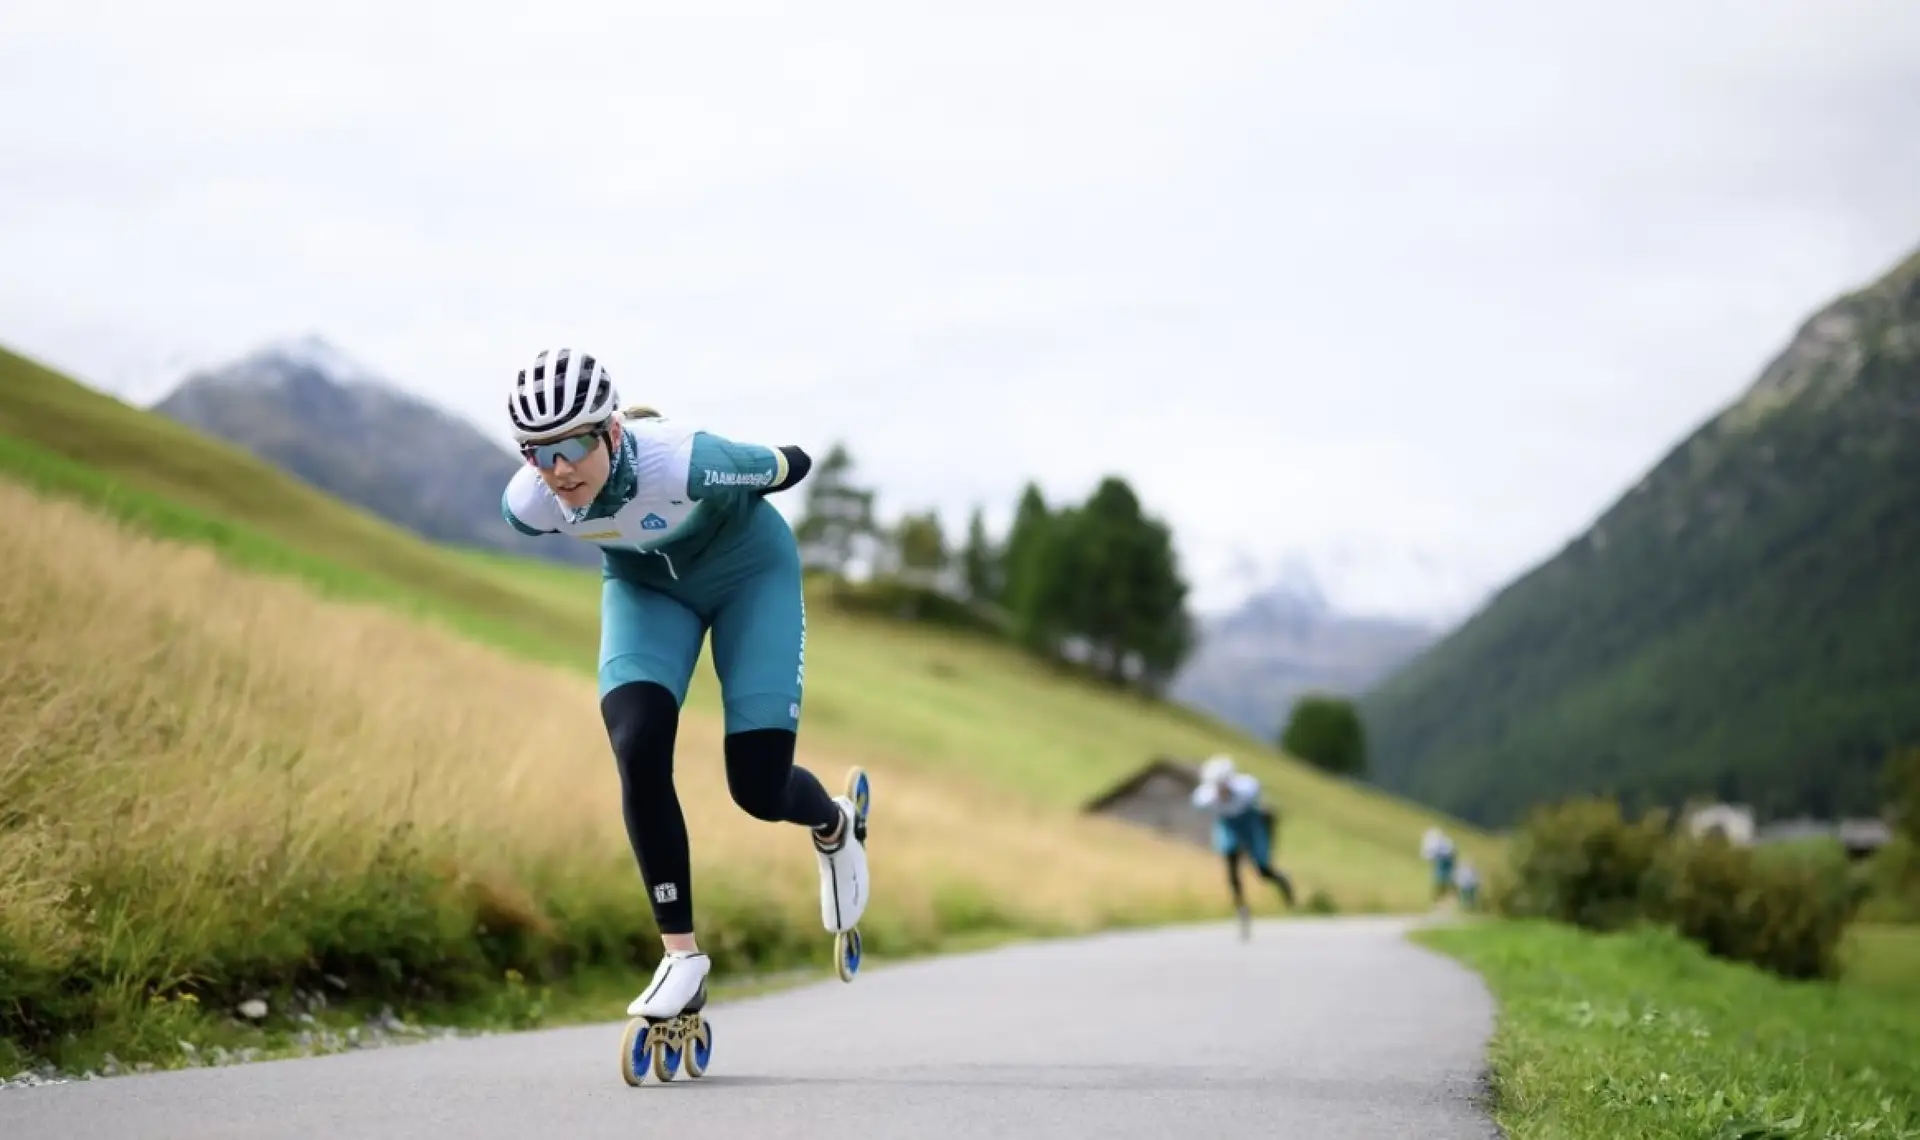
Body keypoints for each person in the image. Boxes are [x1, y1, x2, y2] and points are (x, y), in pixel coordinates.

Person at [497, 347, 869, 1023]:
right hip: (646, 591)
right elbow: (551, 492)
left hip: (748, 576)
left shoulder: (686, 460)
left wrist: (760, 460)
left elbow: (794, 463)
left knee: (756, 788)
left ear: (611, 431)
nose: (557, 470)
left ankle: (834, 823)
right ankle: (682, 958)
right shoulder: (530, 504)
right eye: (536, 451)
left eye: (574, 444)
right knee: (636, 744)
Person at [1190, 754, 1296, 927]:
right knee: (1231, 864)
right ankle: (1241, 907)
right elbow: (1198, 804)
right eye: (1217, 787)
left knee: (1262, 870)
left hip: (1250, 824)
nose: (1220, 791)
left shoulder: (1245, 788)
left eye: (1223, 786)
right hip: (1228, 825)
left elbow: (1258, 797)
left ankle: (1283, 882)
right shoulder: (1206, 797)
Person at [1421, 827, 1457, 903]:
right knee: (1443, 877)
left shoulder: (1440, 841)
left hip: (1444, 859)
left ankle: (1445, 893)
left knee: (1443, 877)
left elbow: (1432, 852)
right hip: (1443, 859)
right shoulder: (1443, 841)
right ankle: (1443, 894)